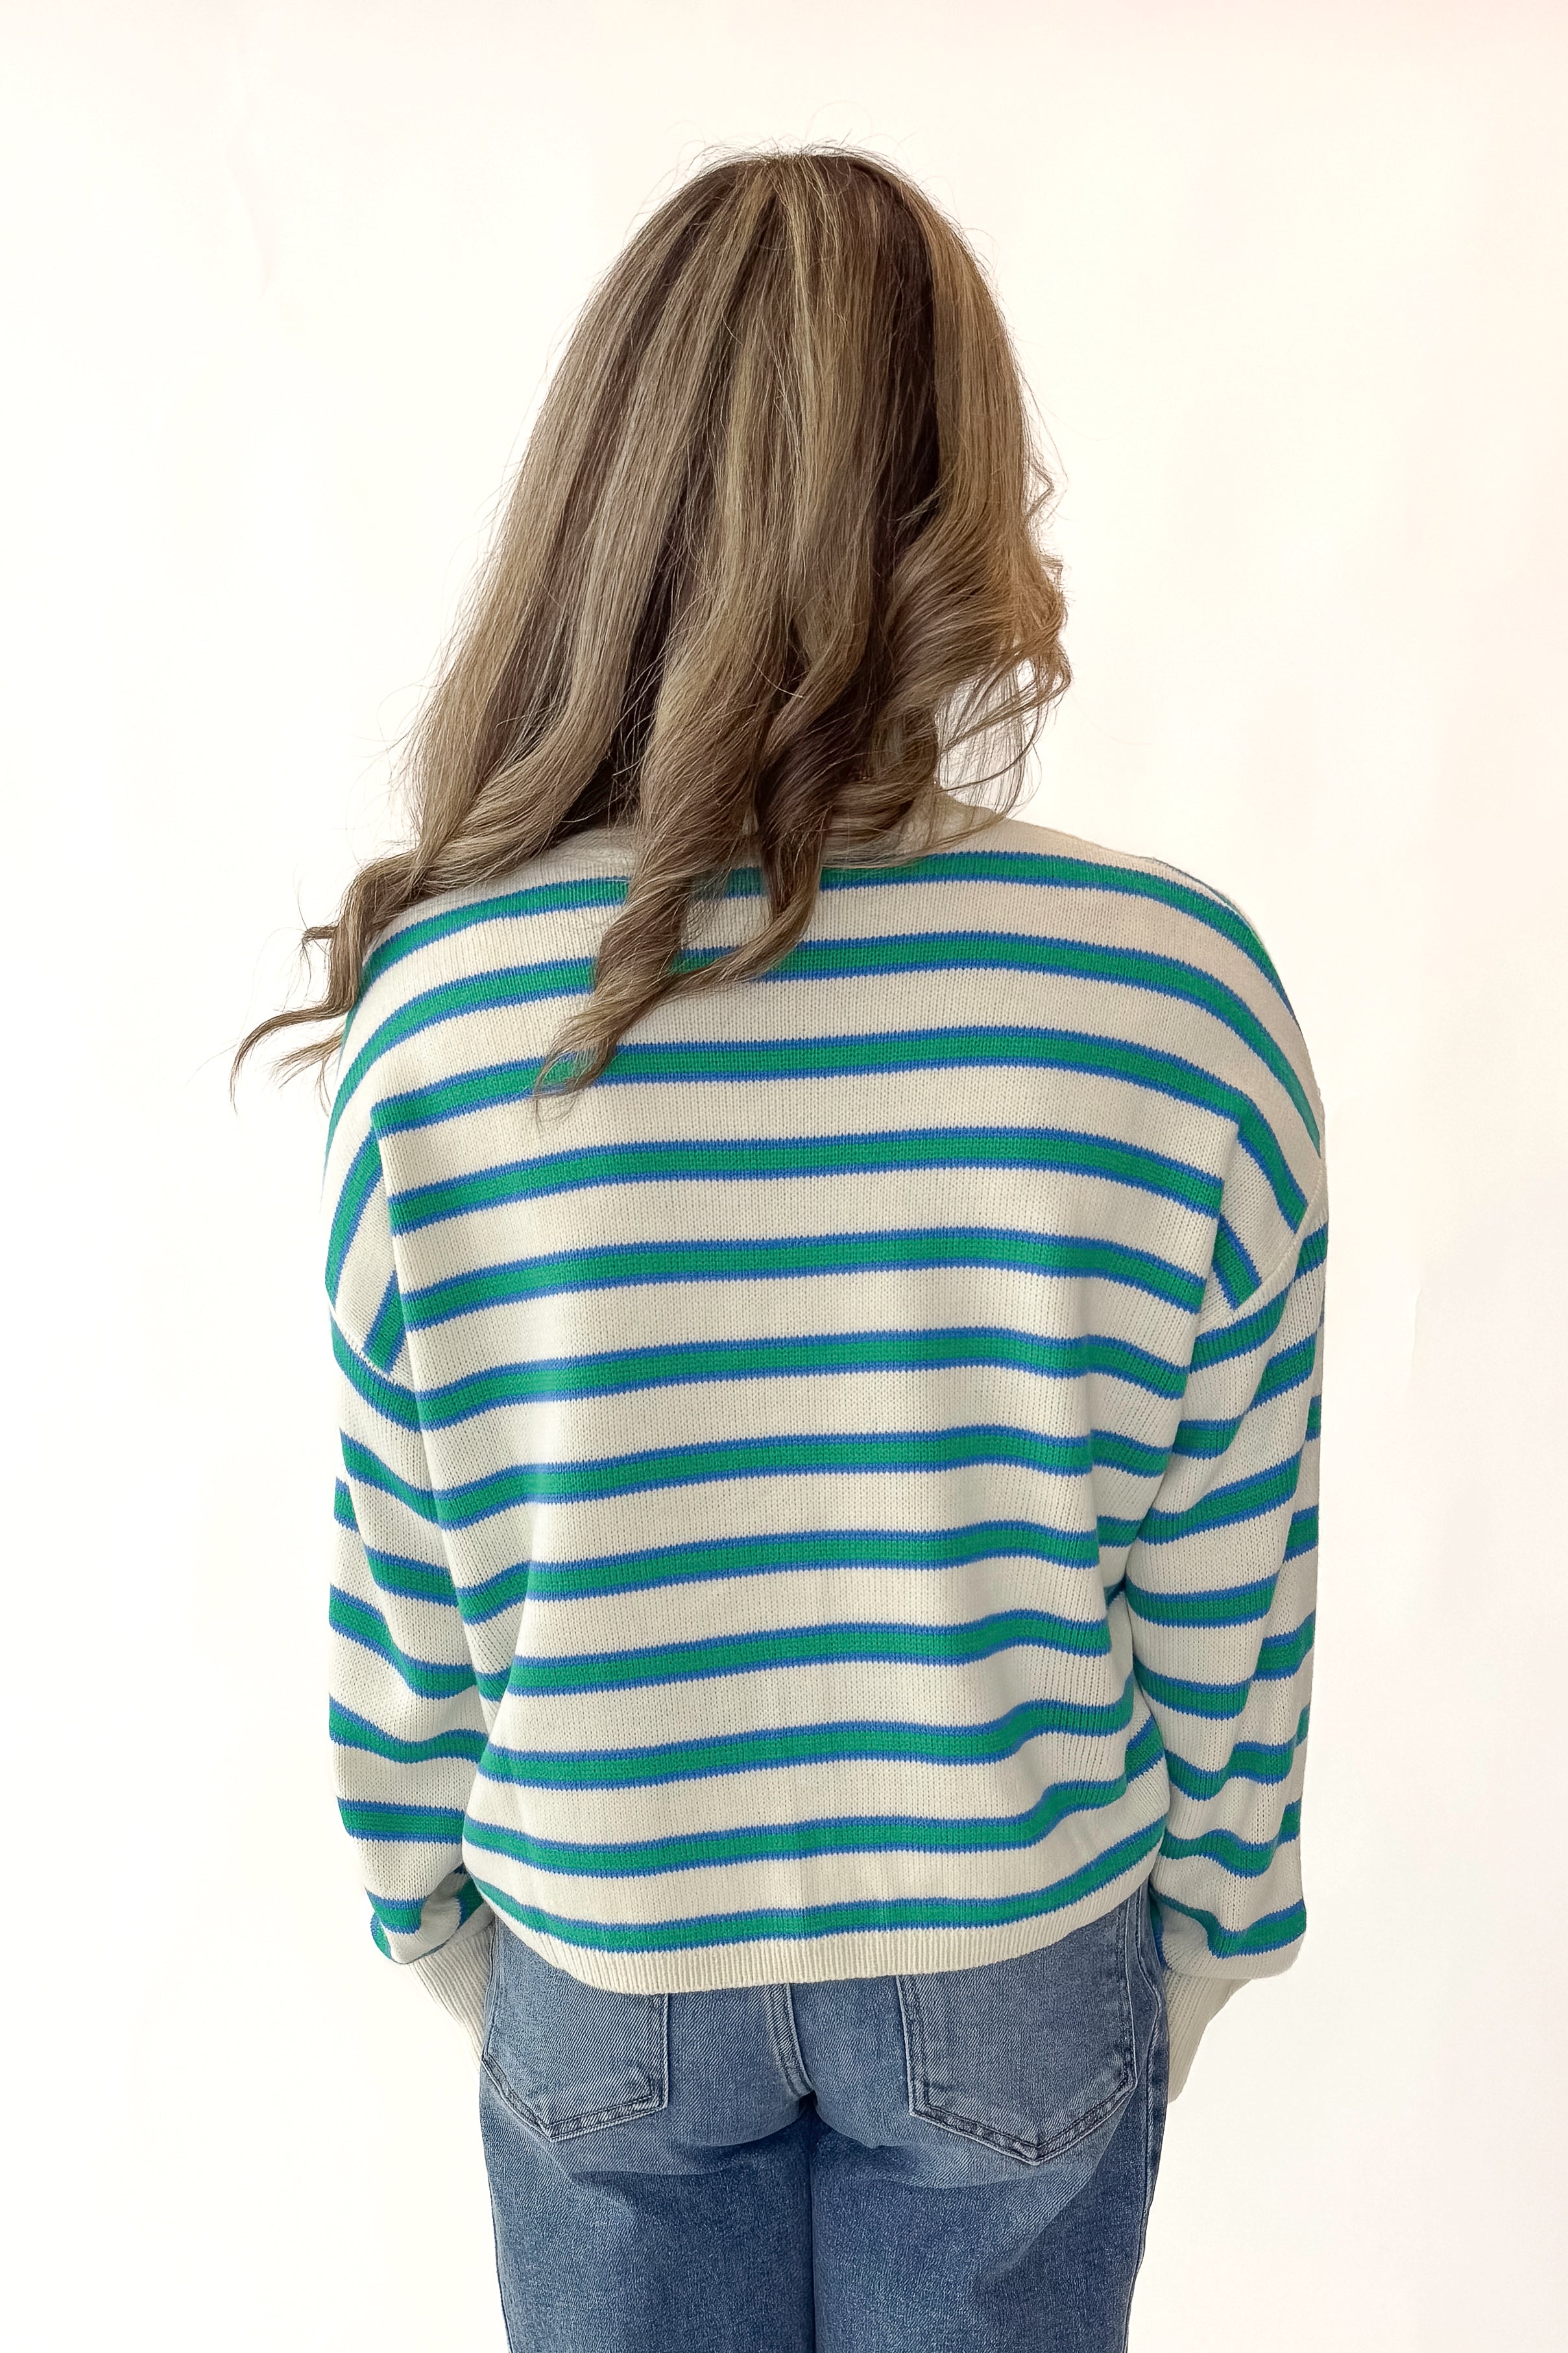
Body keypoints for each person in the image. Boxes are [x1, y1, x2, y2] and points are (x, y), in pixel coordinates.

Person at [235, 146, 1326, 2353]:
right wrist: (1209, 1935)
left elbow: (407, 1562)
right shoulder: (1170, 987)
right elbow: (1233, 1570)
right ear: (963, 489)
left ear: (608, 495)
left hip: (602, 1937)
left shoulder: (446, 1011)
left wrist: (433, 1916)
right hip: (1021, 1935)